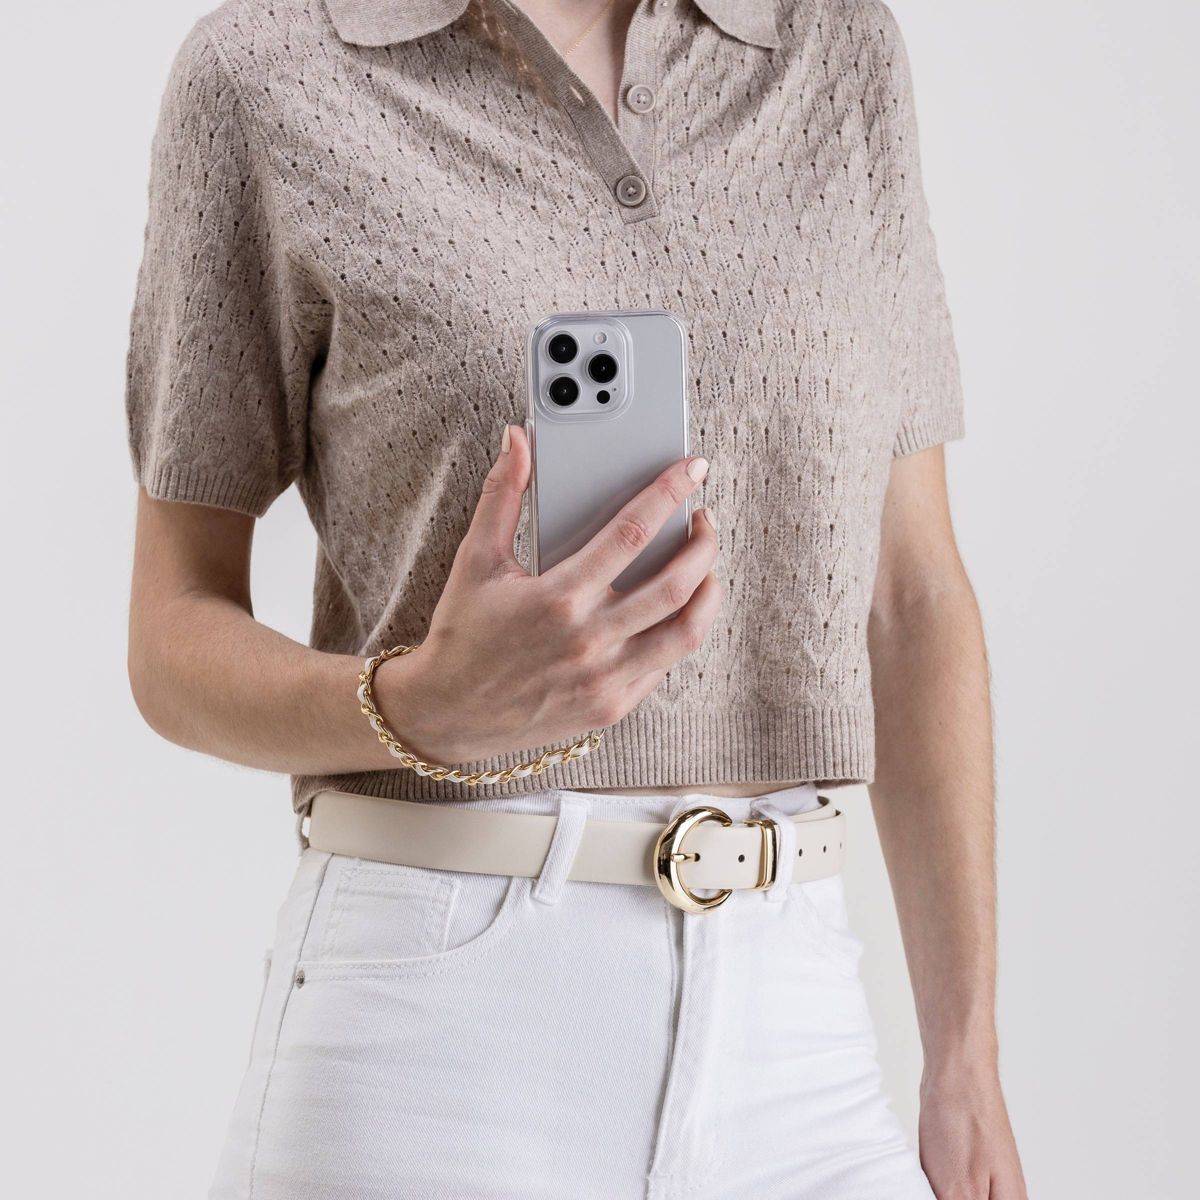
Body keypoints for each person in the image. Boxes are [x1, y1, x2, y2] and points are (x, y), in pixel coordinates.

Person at [124, 1, 1027, 1196]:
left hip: (798, 1023)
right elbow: (171, 637)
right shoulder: (266, 71)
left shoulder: (829, 45)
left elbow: (911, 597)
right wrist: (416, 705)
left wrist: (965, 1058)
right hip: (437, 1037)